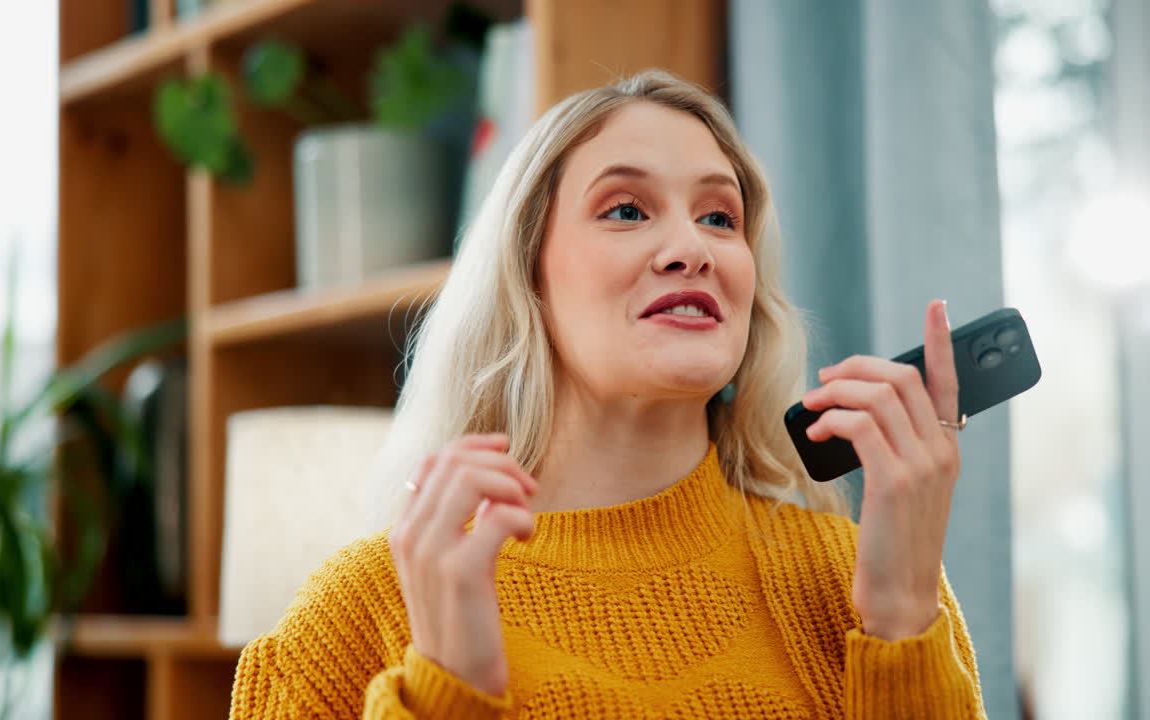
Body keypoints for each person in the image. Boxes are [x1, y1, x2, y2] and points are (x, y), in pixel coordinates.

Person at [228, 69, 985, 719]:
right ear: (528, 274)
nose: (693, 248)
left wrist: (899, 622)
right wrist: (448, 693)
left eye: (721, 217)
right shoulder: (358, 614)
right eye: (627, 209)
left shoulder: (858, 584)